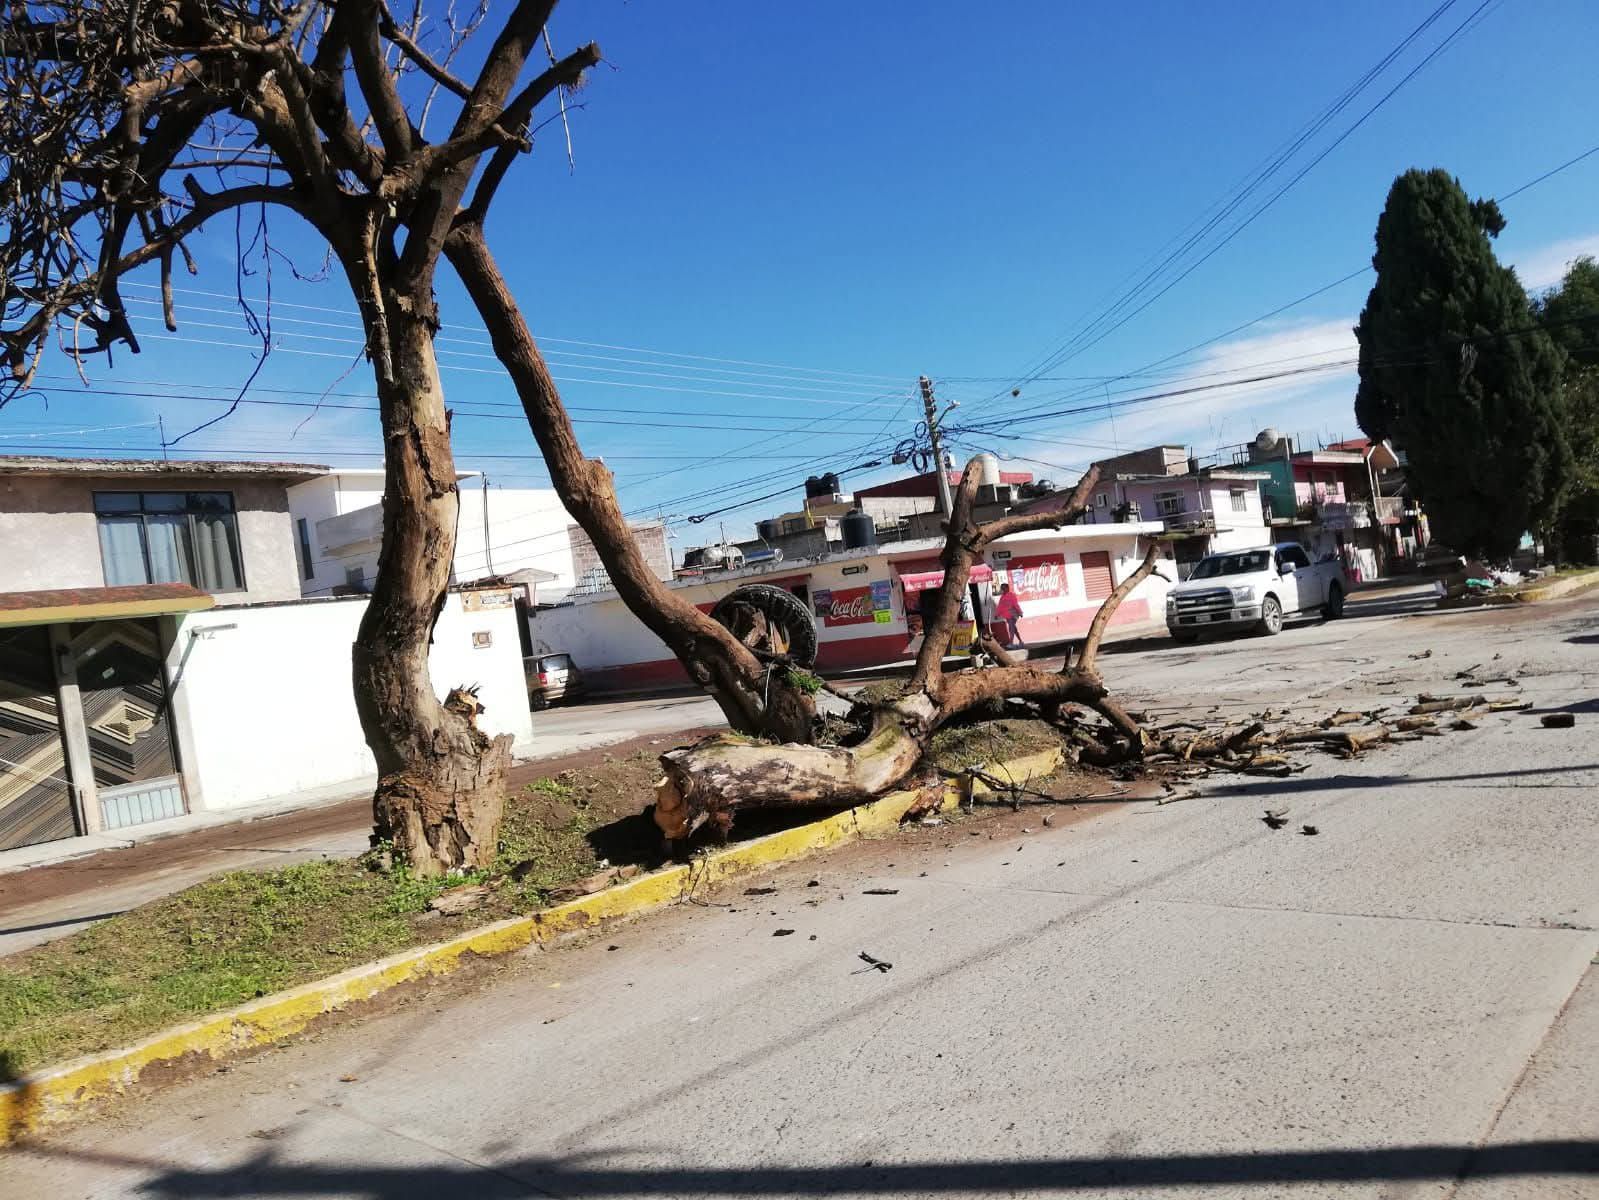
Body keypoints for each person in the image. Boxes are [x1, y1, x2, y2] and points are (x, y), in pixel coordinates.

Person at [995, 582, 1024, 647]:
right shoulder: (1002, 597)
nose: (1002, 590)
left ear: (1007, 588)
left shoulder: (1012, 595)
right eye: (1001, 588)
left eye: (1003, 588)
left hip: (1013, 615)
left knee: (1011, 629)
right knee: (1014, 629)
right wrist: (997, 614)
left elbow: (1016, 605)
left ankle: (1011, 643)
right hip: (1007, 616)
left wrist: (1020, 612)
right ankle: (1021, 641)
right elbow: (1000, 606)